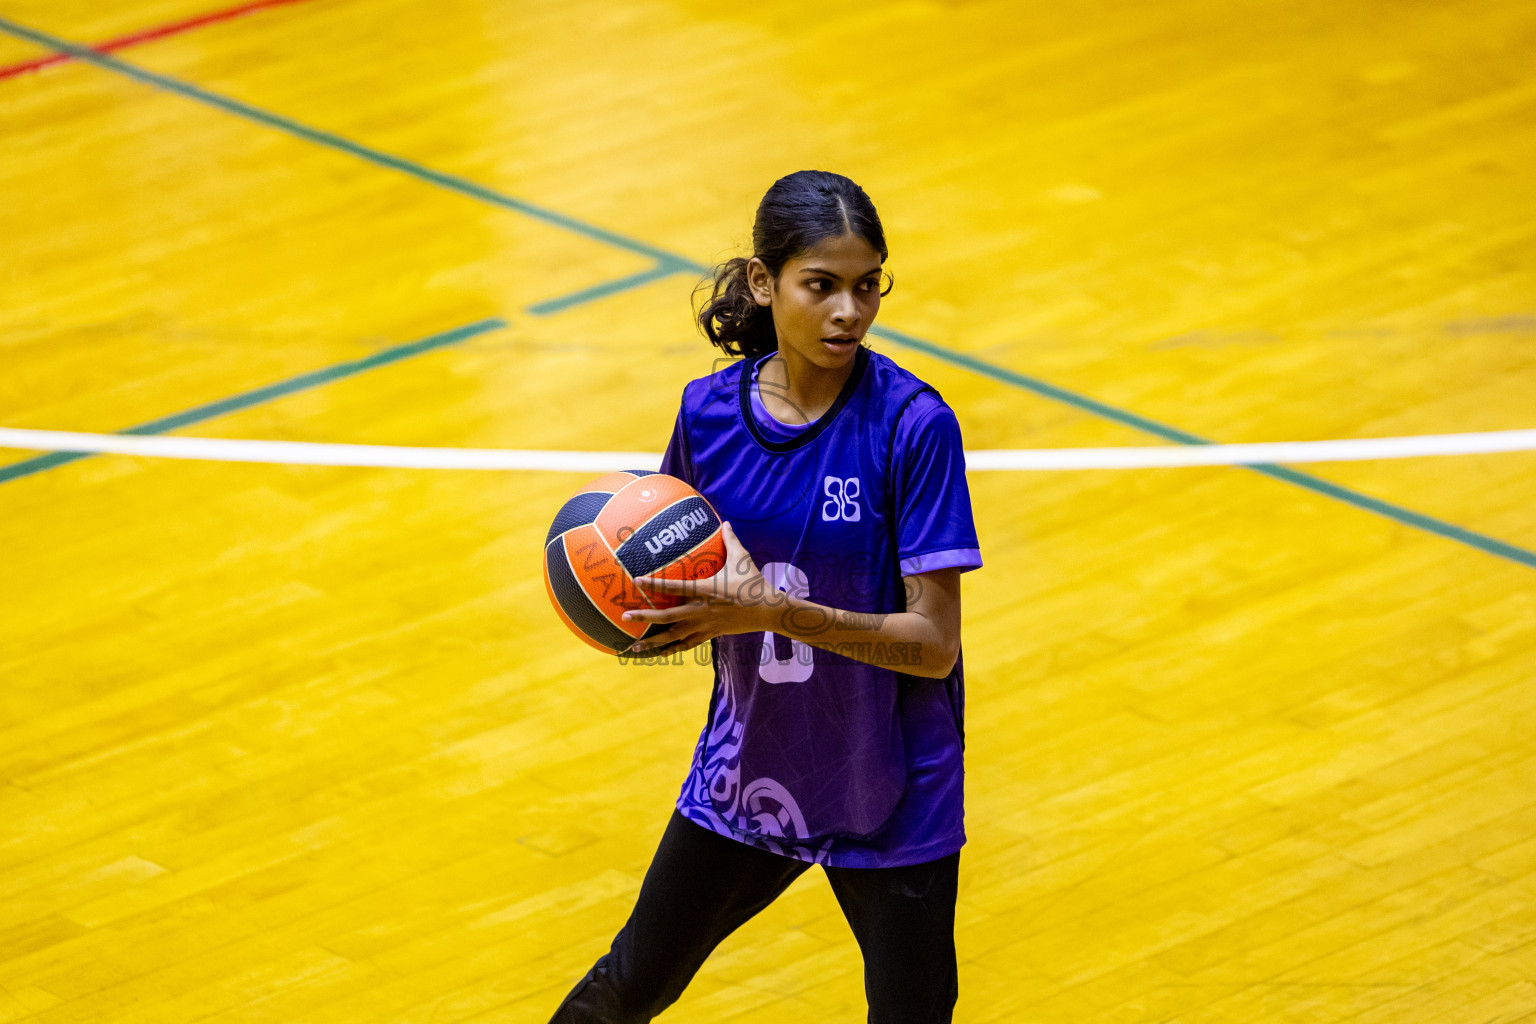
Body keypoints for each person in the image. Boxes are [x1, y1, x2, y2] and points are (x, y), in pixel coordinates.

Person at [548, 170, 983, 1023]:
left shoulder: (914, 426)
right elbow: (676, 583)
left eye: (868, 287)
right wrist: (649, 625)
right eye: (821, 286)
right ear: (763, 281)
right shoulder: (706, 415)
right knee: (628, 985)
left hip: (891, 784)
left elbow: (933, 647)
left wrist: (775, 614)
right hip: (754, 770)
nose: (848, 313)